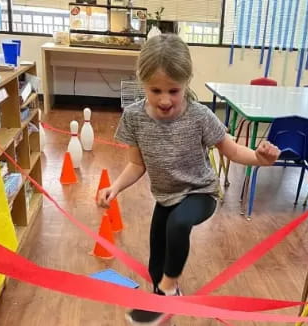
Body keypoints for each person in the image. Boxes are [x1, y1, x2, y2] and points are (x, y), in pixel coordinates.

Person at [98, 34, 280, 325]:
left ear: (187, 83)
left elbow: (231, 150)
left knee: (179, 224)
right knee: (157, 265)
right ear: (141, 83)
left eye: (174, 90)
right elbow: (136, 164)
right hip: (165, 196)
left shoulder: (200, 116)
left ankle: (169, 291)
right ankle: (165, 298)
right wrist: (115, 187)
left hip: (200, 192)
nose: (165, 100)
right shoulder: (134, 117)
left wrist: (259, 158)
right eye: (155, 90)